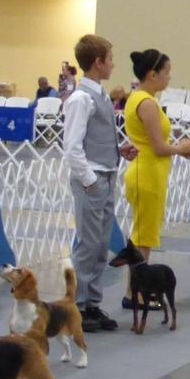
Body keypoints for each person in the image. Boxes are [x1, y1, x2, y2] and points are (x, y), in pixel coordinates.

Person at [65, 34, 135, 333]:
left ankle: (92, 303)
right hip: (92, 178)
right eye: (110, 59)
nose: (113, 64)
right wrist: (90, 180)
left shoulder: (101, 95)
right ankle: (77, 306)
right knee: (88, 244)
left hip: (105, 173)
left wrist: (117, 150)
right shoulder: (81, 98)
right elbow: (72, 146)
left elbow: (94, 137)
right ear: (98, 62)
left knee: (101, 243)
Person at [123, 49, 190, 273]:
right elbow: (158, 146)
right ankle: (136, 287)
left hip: (148, 170)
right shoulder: (147, 103)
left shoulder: (138, 98)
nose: (169, 77)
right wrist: (180, 148)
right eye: (167, 72)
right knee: (143, 237)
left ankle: (137, 285)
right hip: (147, 172)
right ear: (152, 74)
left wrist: (178, 148)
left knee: (144, 234)